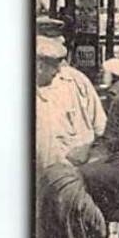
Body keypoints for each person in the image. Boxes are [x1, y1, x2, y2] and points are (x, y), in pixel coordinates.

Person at [35, 36, 106, 170]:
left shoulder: (76, 80)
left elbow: (103, 130)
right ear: (39, 65)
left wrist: (88, 149)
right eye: (55, 65)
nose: (59, 70)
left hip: (75, 175)